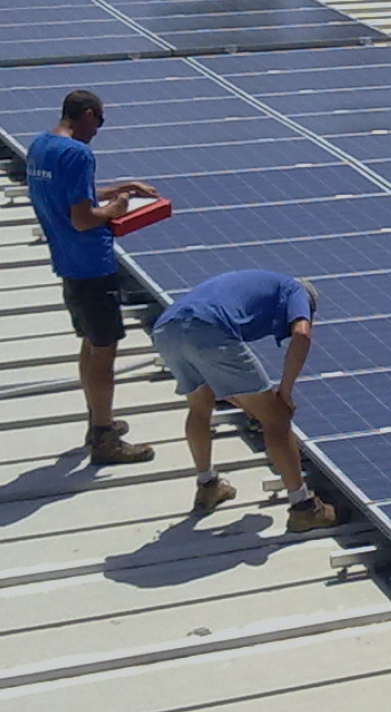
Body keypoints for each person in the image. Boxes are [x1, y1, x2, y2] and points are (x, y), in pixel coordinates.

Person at [25, 88, 159, 465]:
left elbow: (71, 195)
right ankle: (104, 438)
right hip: (91, 263)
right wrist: (116, 208)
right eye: (98, 122)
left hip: (66, 261)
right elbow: (83, 218)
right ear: (85, 114)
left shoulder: (40, 146)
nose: (98, 131)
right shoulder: (78, 153)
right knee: (105, 349)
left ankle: (97, 419)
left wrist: (119, 187)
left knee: (89, 341)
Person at [148, 269, 340, 534]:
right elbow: (302, 335)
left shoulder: (256, 284)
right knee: (277, 418)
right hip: (208, 329)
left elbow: (222, 381)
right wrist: (283, 394)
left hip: (166, 329)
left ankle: (208, 486)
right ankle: (304, 507)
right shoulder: (296, 291)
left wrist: (249, 403)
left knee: (199, 406)